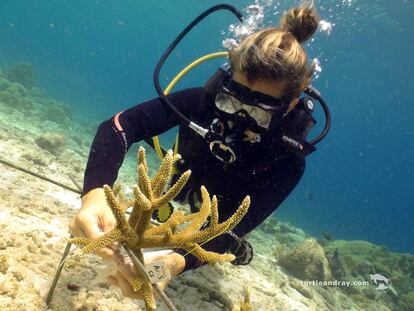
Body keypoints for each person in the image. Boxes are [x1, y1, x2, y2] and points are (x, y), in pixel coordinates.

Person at [69, 4, 322, 300]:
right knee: (169, 204)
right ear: (225, 81)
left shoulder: (288, 161)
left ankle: (237, 252)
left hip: (227, 214)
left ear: (291, 104)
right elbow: (117, 128)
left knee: (229, 244)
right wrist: (94, 194)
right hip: (187, 179)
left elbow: (231, 230)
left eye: (258, 113)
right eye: (231, 102)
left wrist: (168, 265)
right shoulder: (201, 102)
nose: (236, 121)